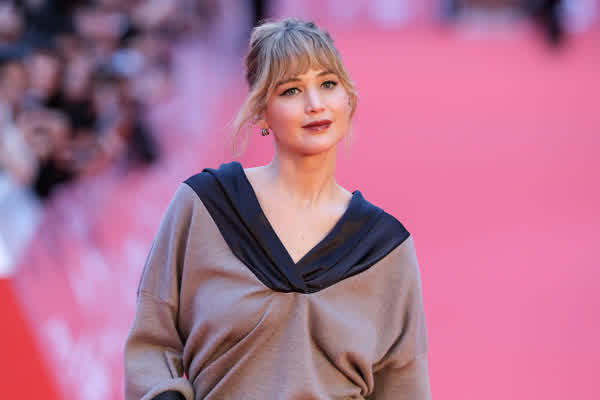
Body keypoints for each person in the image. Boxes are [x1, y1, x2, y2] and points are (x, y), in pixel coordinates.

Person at [124, 18, 431, 400]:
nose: (315, 104)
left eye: (328, 84)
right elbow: (152, 343)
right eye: (291, 90)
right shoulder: (205, 206)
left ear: (348, 98)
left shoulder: (385, 246)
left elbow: (403, 384)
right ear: (260, 112)